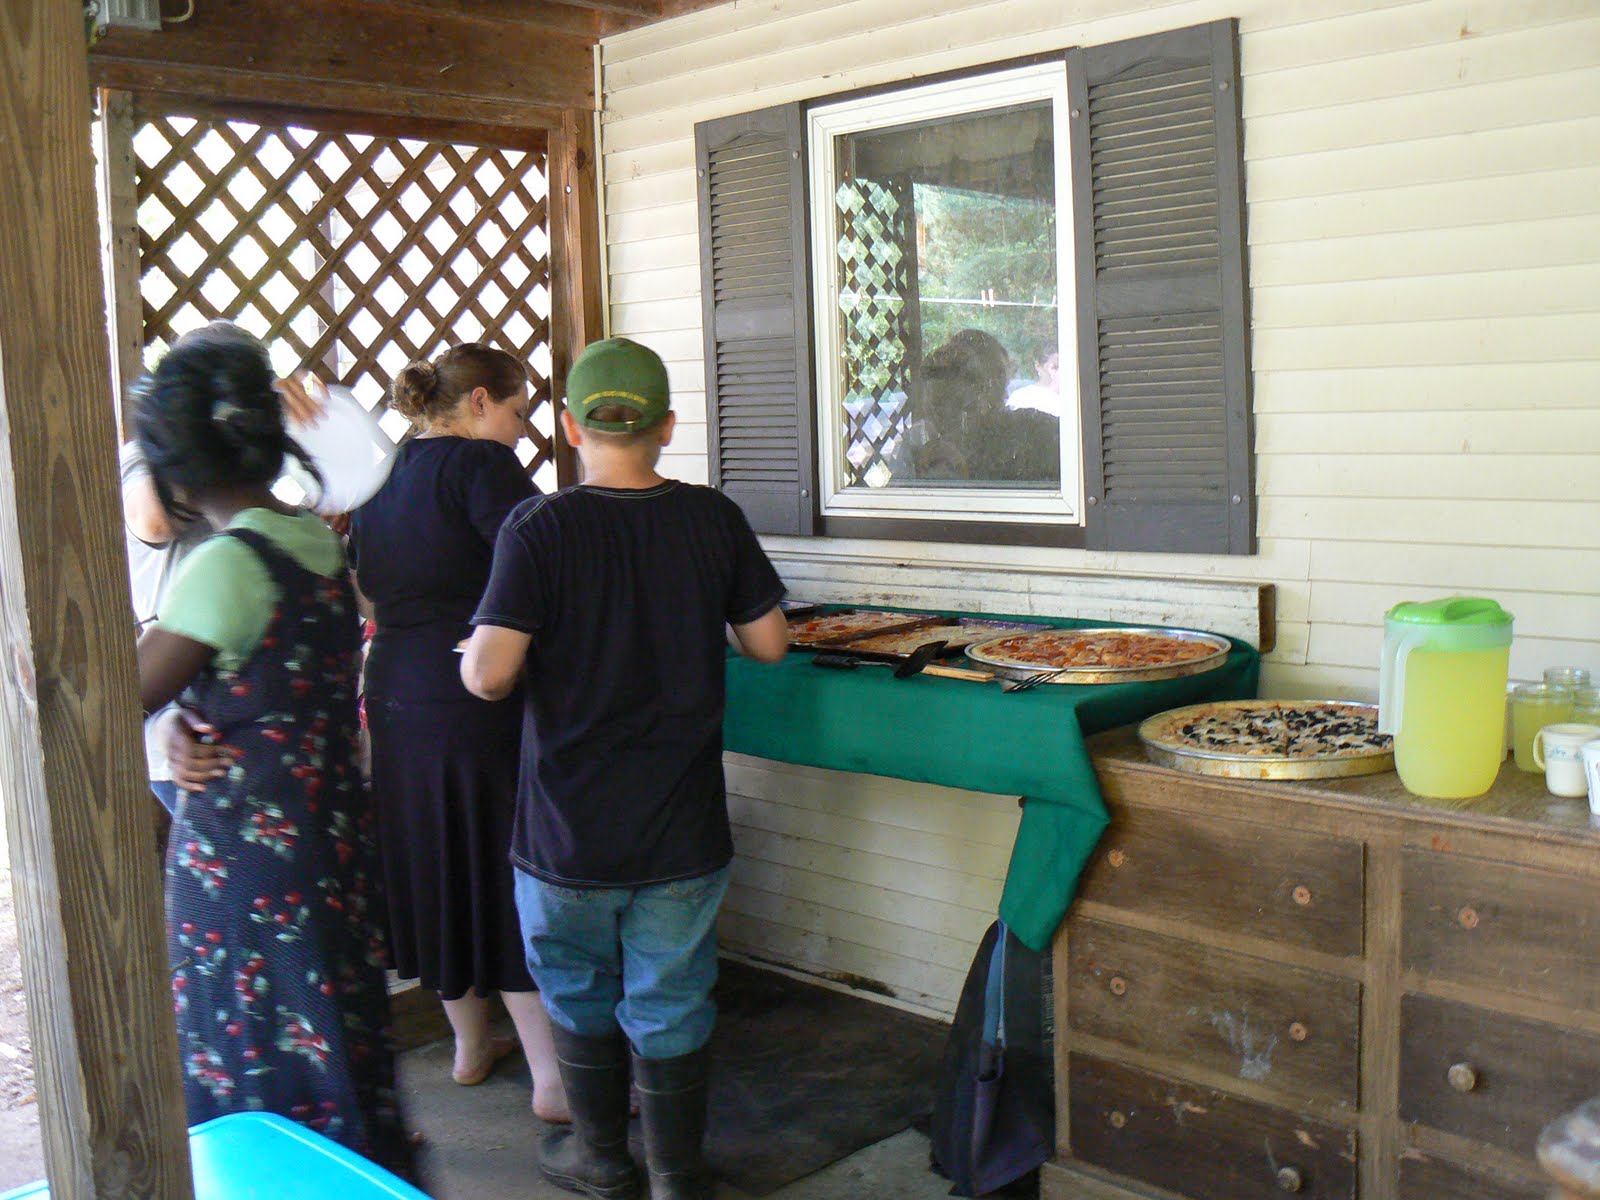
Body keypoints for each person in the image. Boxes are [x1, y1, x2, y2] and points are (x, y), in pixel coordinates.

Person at [459, 337, 789, 1200]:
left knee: (575, 991)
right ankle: (678, 1177)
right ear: (667, 427)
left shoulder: (540, 527)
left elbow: (489, 676)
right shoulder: (711, 518)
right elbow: (769, 643)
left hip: (567, 829)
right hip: (682, 824)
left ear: (571, 428)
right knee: (672, 997)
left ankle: (602, 1162)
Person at [132, 322, 413, 1177]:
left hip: (246, 877)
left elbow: (121, 694)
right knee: (335, 1043)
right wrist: (183, 719)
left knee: (256, 1065)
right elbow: (254, 688)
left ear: (175, 465)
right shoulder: (313, 539)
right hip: (326, 849)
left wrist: (167, 713)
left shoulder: (226, 565)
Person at [345, 343, 569, 1121]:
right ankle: (552, 1079)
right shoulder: (483, 467)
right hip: (474, 692)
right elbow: (544, 561)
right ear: (478, 402)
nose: (520, 428)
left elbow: (367, 588)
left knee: (433, 863)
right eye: (516, 411)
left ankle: (472, 1046)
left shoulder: (382, 474)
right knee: (504, 867)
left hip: (394, 689)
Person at [124, 377, 319, 815]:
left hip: (255, 751)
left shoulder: (251, 545)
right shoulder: (141, 460)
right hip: (190, 734)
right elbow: (153, 521)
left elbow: (123, 700)